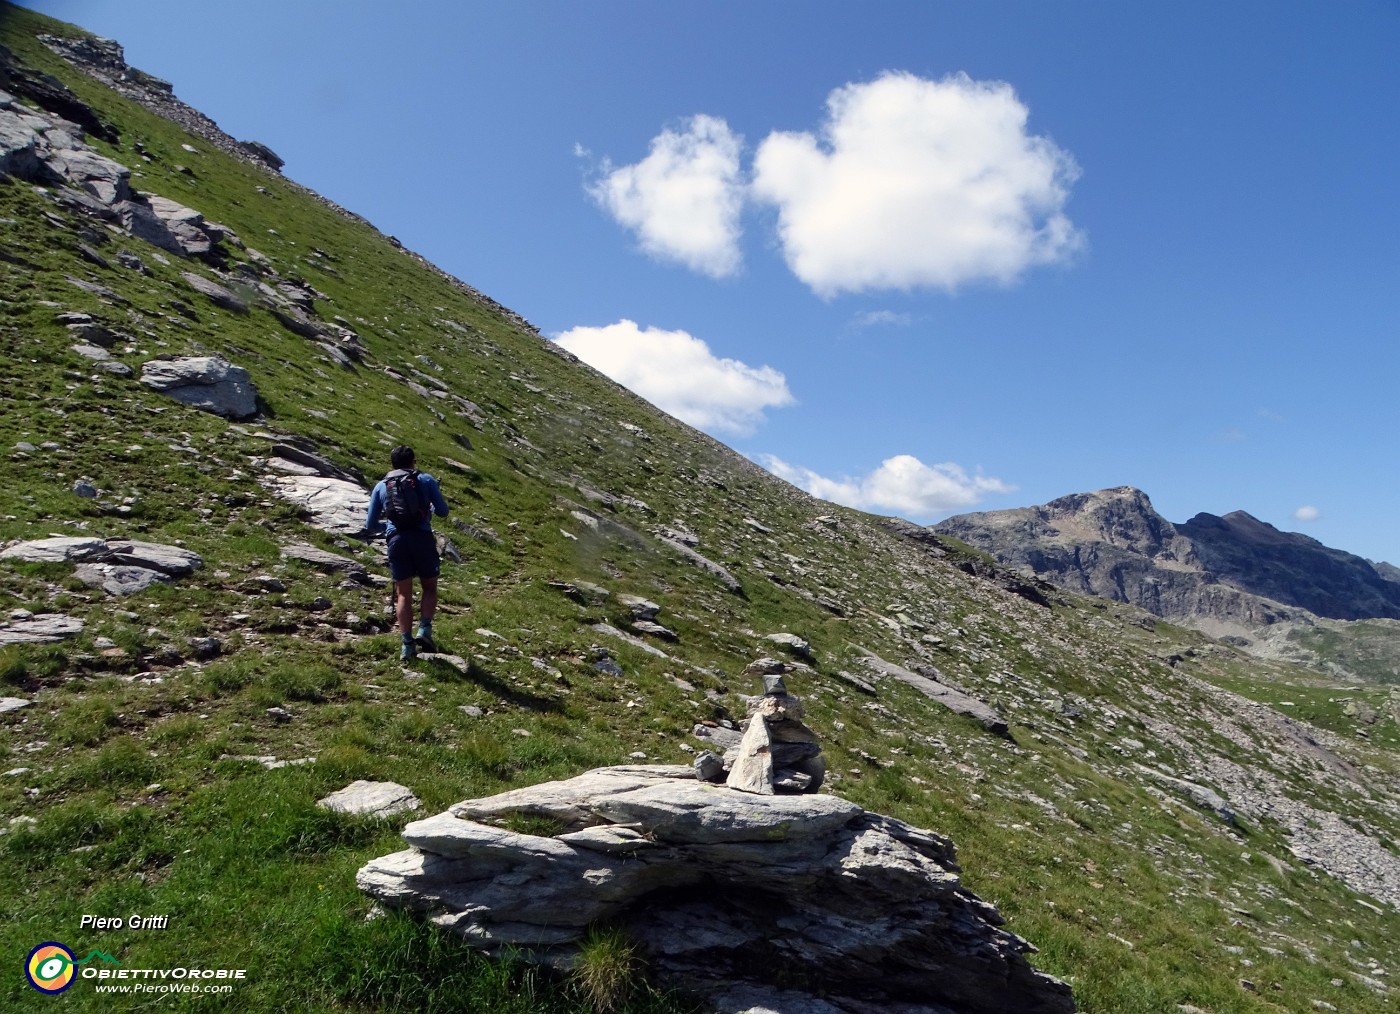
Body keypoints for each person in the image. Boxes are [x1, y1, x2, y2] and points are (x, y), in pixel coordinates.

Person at [364, 445, 450, 660]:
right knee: (429, 587)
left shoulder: (382, 486)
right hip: (421, 538)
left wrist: (391, 529)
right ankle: (425, 629)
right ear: (414, 461)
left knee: (403, 593)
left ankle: (406, 645)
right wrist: (427, 511)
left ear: (391, 464)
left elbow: (371, 524)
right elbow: (443, 512)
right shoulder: (426, 479)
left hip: (397, 541)